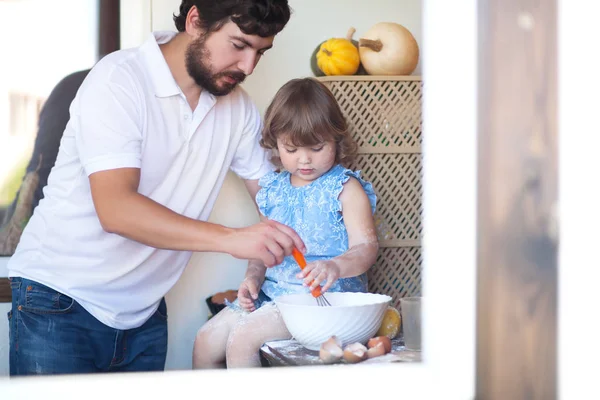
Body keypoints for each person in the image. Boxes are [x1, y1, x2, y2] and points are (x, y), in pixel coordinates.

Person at [6, 0, 304, 376]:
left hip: (144, 313)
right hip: (59, 301)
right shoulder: (119, 79)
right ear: (195, 21)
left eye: (260, 52)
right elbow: (116, 209)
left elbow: (277, 201)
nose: (248, 67)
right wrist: (232, 238)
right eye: (239, 45)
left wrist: (317, 239)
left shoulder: (238, 109)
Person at [192, 77, 379, 369]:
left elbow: (366, 248)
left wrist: (336, 266)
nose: (304, 160)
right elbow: (263, 250)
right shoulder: (274, 190)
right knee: (205, 340)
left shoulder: (344, 188)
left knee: (242, 340)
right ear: (275, 143)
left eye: (316, 147)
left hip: (322, 302)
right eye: (291, 149)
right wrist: (252, 279)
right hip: (274, 297)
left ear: (336, 139)